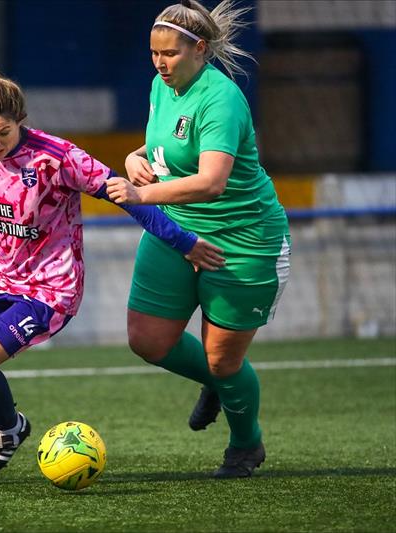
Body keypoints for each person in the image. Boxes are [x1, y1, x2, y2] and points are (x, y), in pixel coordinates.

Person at [0, 68, 225, 483]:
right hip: (1, 280)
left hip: (51, 290)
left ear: (19, 120)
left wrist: (183, 241)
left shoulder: (56, 157)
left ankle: (9, 433)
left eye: (2, 134)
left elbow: (125, 196)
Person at [106, 0, 291, 478]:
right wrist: (133, 157)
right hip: (177, 230)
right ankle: (216, 379)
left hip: (241, 240)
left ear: (199, 49)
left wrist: (140, 193)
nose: (159, 63)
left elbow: (212, 181)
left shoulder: (222, 98)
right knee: (147, 340)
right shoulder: (160, 86)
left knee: (224, 361)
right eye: (153, 53)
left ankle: (246, 444)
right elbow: (164, 142)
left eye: (169, 54)